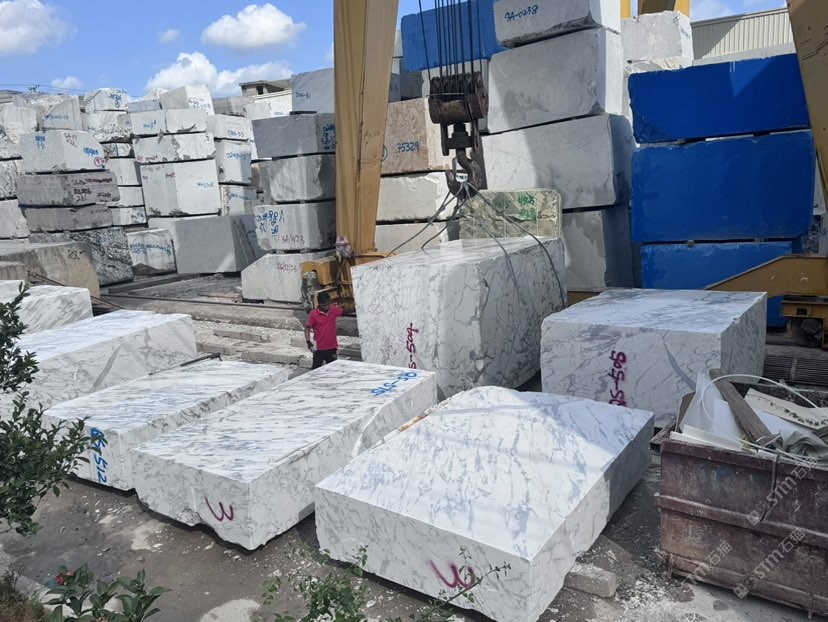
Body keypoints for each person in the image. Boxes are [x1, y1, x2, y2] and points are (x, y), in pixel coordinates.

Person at [305, 292, 344, 369]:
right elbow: (307, 329)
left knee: (333, 370)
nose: (327, 307)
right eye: (324, 305)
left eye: (328, 304)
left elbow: (345, 311)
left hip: (332, 348)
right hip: (319, 349)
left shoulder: (333, 310)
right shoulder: (313, 314)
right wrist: (308, 342)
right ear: (319, 304)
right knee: (316, 370)